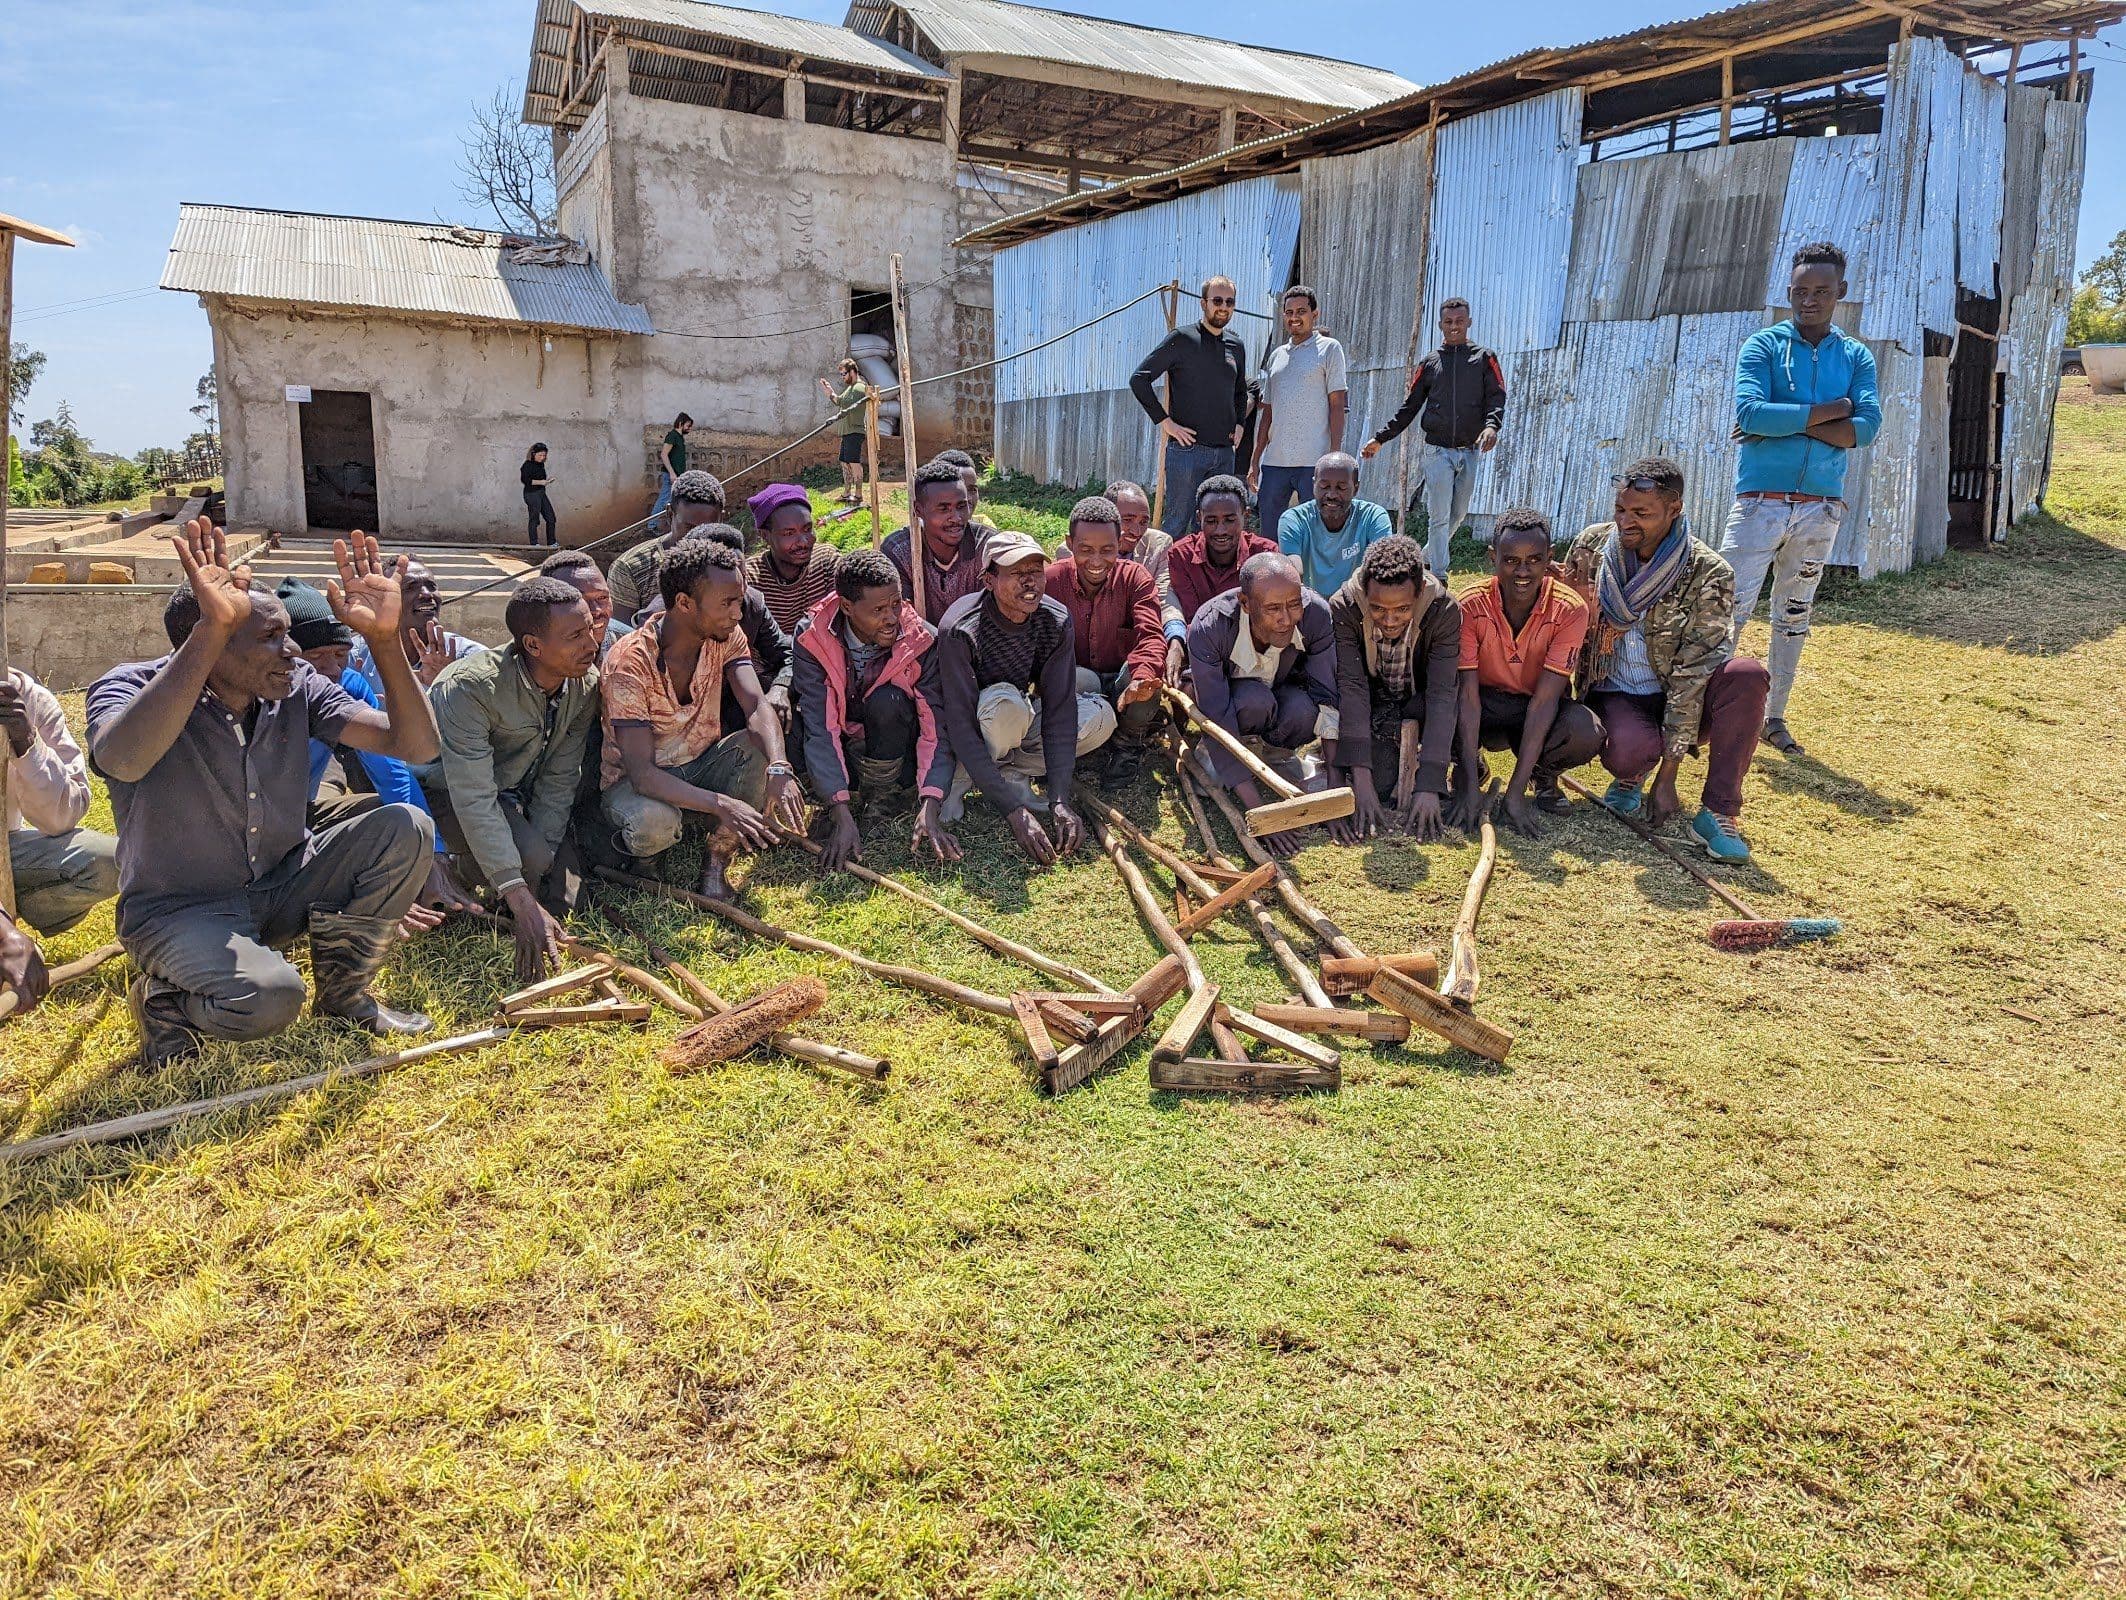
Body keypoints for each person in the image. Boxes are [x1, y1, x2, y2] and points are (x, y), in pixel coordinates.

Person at [86, 521, 441, 1065]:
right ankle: (166, 1001)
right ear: (210, 643)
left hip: (281, 883)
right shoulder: (129, 686)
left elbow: (415, 746)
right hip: (179, 911)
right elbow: (123, 761)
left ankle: (347, 994)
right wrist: (211, 631)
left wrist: (385, 642)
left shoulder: (296, 684)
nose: (293, 650)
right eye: (271, 637)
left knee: (404, 828)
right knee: (271, 999)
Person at [1559, 459, 1770, 863]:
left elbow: (1694, 674)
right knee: (1628, 753)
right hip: (1617, 692)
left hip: (1681, 695)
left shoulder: (1708, 572)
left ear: (1675, 510)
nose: (1626, 522)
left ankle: (1718, 812)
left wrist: (1669, 775)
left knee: (1747, 675)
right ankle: (1633, 774)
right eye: (1621, 510)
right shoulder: (1591, 548)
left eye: (1642, 514)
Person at [1722, 240, 1880, 757]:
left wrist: (1789, 420)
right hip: (1759, 503)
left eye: (1822, 291)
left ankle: (1774, 717)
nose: (1809, 300)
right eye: (1800, 291)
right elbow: (1750, 414)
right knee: (1727, 607)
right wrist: (1832, 410)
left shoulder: (1856, 355)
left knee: (1794, 612)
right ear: (1788, 292)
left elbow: (1866, 429)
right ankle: (1706, 711)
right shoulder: (1763, 346)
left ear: (1841, 293)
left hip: (1820, 507)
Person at [598, 539, 806, 901]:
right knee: (653, 825)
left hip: (699, 763)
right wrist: (722, 804)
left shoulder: (725, 636)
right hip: (637, 782)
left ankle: (715, 862)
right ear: (684, 604)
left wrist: (778, 766)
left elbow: (756, 705)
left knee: (758, 749)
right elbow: (643, 775)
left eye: (739, 601)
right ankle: (645, 860)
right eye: (726, 603)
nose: (738, 614)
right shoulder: (629, 662)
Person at [421, 576, 603, 978]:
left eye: (590, 629)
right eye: (575, 635)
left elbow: (560, 776)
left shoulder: (583, 685)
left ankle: (494, 874)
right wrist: (518, 895)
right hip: (439, 794)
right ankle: (440, 868)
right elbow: (472, 795)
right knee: (518, 875)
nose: (591, 644)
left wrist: (537, 874)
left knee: (543, 868)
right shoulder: (468, 689)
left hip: (503, 796)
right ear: (533, 646)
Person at [919, 530, 1099, 868]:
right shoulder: (961, 628)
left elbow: (1060, 709)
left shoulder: (1055, 619)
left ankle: (1010, 775)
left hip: (1017, 719)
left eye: (1035, 571)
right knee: (1005, 706)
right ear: (988, 580)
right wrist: (1014, 813)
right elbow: (958, 724)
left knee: (1099, 717)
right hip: (977, 728)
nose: (1030, 582)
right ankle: (968, 779)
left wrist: (1059, 799)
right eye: (1017, 573)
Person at [1455, 507, 1604, 837]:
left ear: (1549, 557)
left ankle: (1541, 775)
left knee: (1584, 730)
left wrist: (1514, 794)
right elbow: (1466, 695)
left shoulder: (1569, 609)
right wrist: (1467, 785)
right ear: (1493, 557)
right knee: (1434, 708)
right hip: (1485, 703)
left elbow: (1545, 701)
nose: (1522, 572)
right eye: (1510, 561)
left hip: (1534, 707)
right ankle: (1469, 768)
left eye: (1534, 560)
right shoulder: (1469, 604)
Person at [791, 547, 943, 871]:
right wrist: (840, 812)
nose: (891, 618)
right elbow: (821, 725)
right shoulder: (811, 636)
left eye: (896, 604)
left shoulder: (920, 639)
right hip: (843, 739)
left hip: (894, 742)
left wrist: (931, 801)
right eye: (878, 610)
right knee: (792, 720)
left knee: (888, 700)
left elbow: (934, 725)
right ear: (847, 606)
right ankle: (834, 797)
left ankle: (882, 797)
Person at [1184, 551, 1337, 859]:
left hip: (1280, 695)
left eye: (1294, 604)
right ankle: (1231, 763)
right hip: (1236, 707)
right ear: (1245, 604)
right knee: (1253, 701)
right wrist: (1261, 811)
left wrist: (1335, 789)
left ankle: (1275, 756)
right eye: (1272, 609)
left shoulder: (1316, 614)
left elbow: (1328, 697)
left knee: (1303, 711)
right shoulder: (1209, 626)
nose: (1286, 619)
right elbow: (1217, 716)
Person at [1326, 534, 1459, 844]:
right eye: (1378, 609)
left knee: (1457, 698)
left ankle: (1455, 762)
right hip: (1375, 707)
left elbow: (1442, 694)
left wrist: (1430, 784)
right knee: (1382, 783)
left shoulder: (1443, 609)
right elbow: (1352, 685)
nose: (1389, 620)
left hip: (1420, 703)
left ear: (1420, 592)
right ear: (1365, 592)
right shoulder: (1344, 606)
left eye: (1401, 609)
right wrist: (1361, 780)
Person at [1362, 296, 1506, 576]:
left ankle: (1424, 556)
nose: (1454, 327)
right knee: (1439, 517)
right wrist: (1380, 438)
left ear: (1469, 322)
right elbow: (1410, 406)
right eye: (1449, 322)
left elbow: (1497, 397)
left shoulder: (1484, 359)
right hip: (1437, 452)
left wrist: (1492, 426)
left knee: (1459, 514)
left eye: (1459, 321)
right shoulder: (1430, 363)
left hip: (1470, 450)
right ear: (1440, 324)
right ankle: (1439, 576)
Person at [1045, 496, 1165, 786]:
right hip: (1079, 684)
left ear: (1119, 543)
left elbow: (1151, 635)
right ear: (1069, 543)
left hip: (1122, 681)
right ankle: (1078, 742)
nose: (1097, 561)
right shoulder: (1050, 581)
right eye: (1085, 550)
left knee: (1146, 685)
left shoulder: (1136, 578)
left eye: (1107, 550)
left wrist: (1142, 675)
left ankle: (1127, 746)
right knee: (1072, 679)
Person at [3, 665, 118, 937]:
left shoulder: (30, 700)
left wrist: (28, 744)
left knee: (109, 861)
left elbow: (62, 818)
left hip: (7, 850)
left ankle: (13, 917)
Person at [1130, 276, 1250, 536]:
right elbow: (1139, 379)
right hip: (1187, 453)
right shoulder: (1182, 339)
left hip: (1224, 455)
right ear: (1203, 303)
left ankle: (1206, 577)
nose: (1223, 307)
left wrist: (1240, 424)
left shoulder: (1236, 346)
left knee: (1214, 530)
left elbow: (1240, 391)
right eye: (1217, 300)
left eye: (1229, 302)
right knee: (1174, 526)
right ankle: (1165, 577)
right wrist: (1166, 423)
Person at [1249, 286, 1349, 523]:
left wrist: (1334, 456)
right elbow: (1269, 412)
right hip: (1276, 462)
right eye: (1289, 312)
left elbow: (1337, 405)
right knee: (1271, 532)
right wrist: (1255, 460)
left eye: (1301, 311)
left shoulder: (1330, 349)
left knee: (1313, 531)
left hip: (1314, 462)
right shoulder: (1277, 356)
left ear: (1315, 314)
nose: (1295, 317)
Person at [681, 522, 794, 730]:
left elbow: (786, 655)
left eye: (740, 571)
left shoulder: (752, 605)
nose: (739, 585)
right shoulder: (668, 615)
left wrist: (780, 688)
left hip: (731, 701)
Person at [609, 468, 725, 624]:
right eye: (689, 528)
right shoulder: (631, 568)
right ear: (670, 514)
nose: (698, 538)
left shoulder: (728, 564)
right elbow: (620, 634)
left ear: (721, 520)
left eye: (707, 528)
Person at [882, 459, 990, 627]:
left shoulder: (987, 546)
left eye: (961, 506)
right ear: (918, 510)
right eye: (943, 509)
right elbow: (903, 619)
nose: (956, 518)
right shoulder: (899, 551)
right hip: (921, 648)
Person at [349, 555, 483, 689]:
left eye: (431, 586)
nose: (427, 594)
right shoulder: (355, 657)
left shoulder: (470, 658)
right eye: (411, 587)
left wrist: (450, 687)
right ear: (383, 602)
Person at [1166, 475, 1276, 629]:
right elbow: (1192, 617)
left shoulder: (1265, 555)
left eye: (1230, 520)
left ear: (1246, 516)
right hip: (1199, 641)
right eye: (1211, 521)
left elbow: (1265, 616)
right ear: (1199, 518)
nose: (1221, 530)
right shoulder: (1181, 555)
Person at [1106, 478, 1187, 686]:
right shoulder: (1077, 550)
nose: (1136, 530)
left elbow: (1165, 597)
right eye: (1128, 519)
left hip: (1139, 640)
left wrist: (1176, 639)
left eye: (1143, 521)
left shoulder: (1158, 545)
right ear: (1107, 516)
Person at [1277, 452, 1393, 595]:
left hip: (1356, 602)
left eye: (1341, 488)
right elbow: (1294, 570)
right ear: (1314, 485)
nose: (1331, 494)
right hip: (1311, 604)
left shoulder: (1374, 517)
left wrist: (1342, 603)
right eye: (1324, 486)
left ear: (1356, 488)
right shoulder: (1293, 519)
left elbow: (1382, 566)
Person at [745, 483, 840, 636]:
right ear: (765, 536)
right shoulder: (751, 579)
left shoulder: (826, 562)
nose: (803, 541)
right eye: (789, 533)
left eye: (807, 529)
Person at [538, 549, 631, 656]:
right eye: (579, 601)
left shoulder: (629, 645)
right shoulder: (534, 652)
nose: (596, 610)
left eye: (602, 597)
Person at [820, 359, 868, 504]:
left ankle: (858, 495)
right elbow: (841, 401)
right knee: (844, 462)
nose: (842, 377)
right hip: (847, 431)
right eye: (841, 374)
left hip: (854, 431)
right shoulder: (851, 388)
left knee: (854, 463)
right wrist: (830, 393)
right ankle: (847, 493)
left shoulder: (859, 387)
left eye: (844, 374)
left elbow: (847, 404)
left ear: (852, 371)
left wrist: (834, 399)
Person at [933, 448, 996, 529]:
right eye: (958, 491)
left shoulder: (983, 527)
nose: (967, 498)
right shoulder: (918, 530)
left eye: (973, 490)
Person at [650, 411, 694, 525]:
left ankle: (676, 524)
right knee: (664, 500)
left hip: (677, 475)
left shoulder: (679, 438)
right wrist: (672, 473)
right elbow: (664, 455)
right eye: (688, 426)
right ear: (680, 423)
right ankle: (652, 525)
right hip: (671, 475)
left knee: (675, 501)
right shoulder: (672, 436)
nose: (689, 429)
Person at [521, 443, 557, 547]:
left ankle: (552, 542)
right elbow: (525, 480)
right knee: (534, 519)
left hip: (541, 493)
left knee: (551, 518)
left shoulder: (541, 465)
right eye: (540, 455)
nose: (542, 457)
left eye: (544, 455)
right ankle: (534, 543)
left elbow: (540, 478)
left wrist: (547, 481)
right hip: (531, 494)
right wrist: (541, 482)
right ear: (533, 454)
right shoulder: (527, 465)